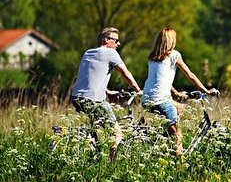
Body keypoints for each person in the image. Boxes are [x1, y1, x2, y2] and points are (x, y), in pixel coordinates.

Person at [142, 27, 219, 156]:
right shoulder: (174, 55)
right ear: (172, 41)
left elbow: (160, 79)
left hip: (146, 99)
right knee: (178, 135)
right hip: (161, 100)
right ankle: (180, 162)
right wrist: (206, 91)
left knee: (180, 109)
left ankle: (163, 141)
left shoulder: (152, 58)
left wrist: (176, 93)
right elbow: (190, 75)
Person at [71, 27, 142, 161]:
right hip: (93, 100)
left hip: (76, 97)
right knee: (117, 134)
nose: (118, 44)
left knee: (95, 131)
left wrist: (108, 91)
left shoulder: (88, 52)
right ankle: (111, 165)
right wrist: (138, 91)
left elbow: (91, 76)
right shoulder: (110, 53)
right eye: (116, 40)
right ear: (106, 41)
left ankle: (94, 157)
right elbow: (126, 74)